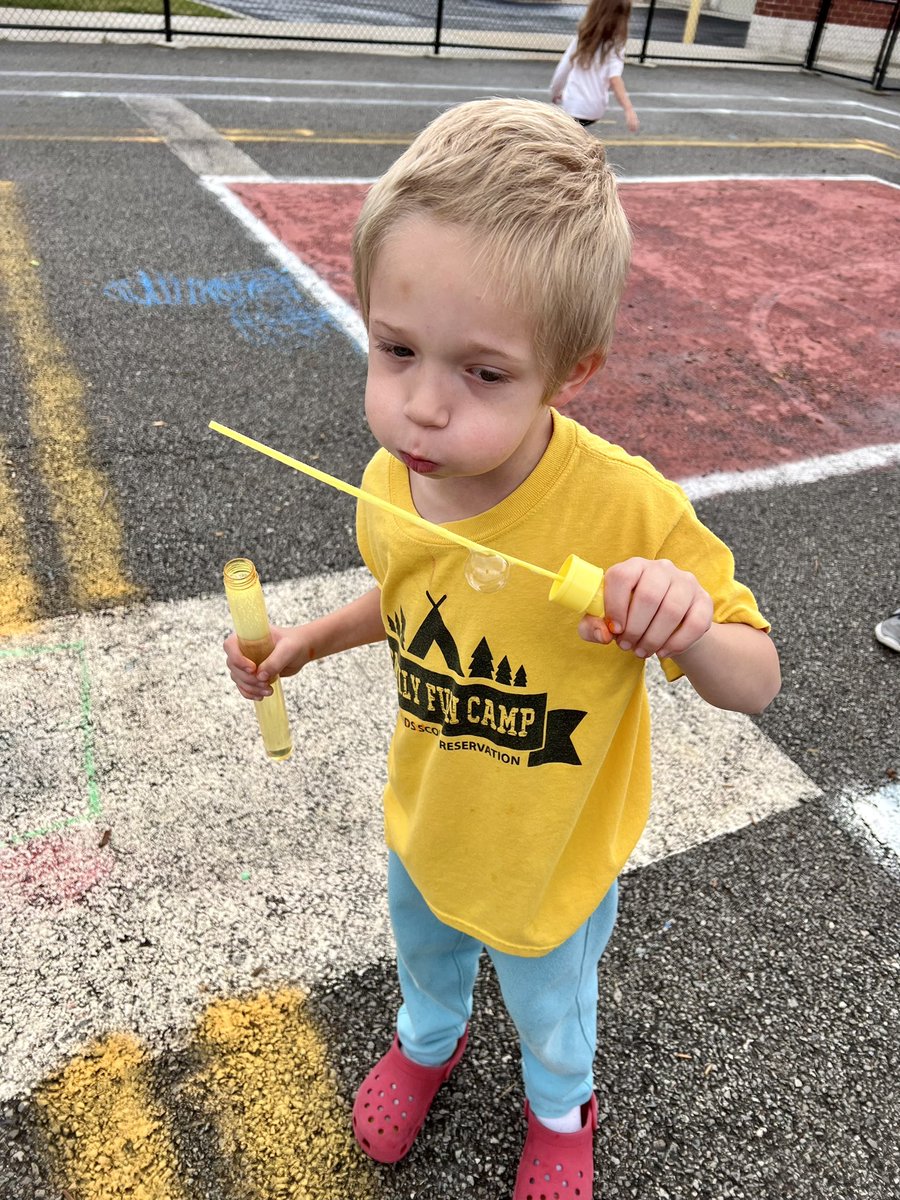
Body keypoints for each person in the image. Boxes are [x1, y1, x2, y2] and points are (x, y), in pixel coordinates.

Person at [223, 98, 781, 1199]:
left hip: (548, 858)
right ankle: (428, 1043)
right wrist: (306, 644)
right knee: (425, 956)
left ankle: (560, 1106)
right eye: (396, 350)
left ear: (571, 372)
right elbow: (406, 596)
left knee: (551, 1005)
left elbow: (755, 679)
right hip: (430, 822)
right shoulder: (393, 481)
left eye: (484, 373)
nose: (423, 409)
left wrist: (687, 622)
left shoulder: (627, 509)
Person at [550, 0, 640, 132]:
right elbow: (615, 79)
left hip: (572, 104)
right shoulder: (616, 45)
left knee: (565, 133)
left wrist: (555, 91)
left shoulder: (582, 38)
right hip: (594, 109)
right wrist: (629, 109)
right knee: (576, 133)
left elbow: (563, 68)